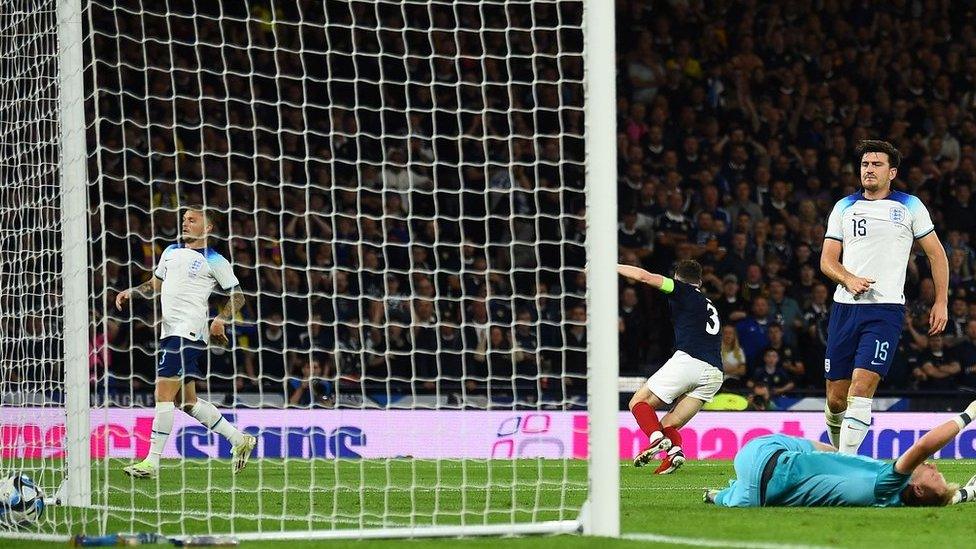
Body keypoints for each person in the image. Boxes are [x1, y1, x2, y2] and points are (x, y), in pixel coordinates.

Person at [820, 140, 949, 454]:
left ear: (892, 172)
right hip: (844, 309)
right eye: (865, 164)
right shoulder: (844, 207)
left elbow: (937, 255)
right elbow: (827, 260)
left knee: (861, 387)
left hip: (885, 310)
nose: (869, 170)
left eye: (876, 165)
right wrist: (848, 279)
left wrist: (941, 301)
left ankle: (845, 466)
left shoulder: (910, 205)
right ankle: (840, 454)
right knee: (836, 398)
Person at [116, 207, 256, 478]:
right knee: (187, 401)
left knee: (163, 395)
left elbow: (237, 297)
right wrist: (131, 291)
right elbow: (153, 285)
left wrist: (220, 319)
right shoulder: (169, 252)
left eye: (193, 220)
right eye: (184, 220)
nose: (186, 223)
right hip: (170, 332)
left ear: (208, 227)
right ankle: (239, 439)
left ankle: (152, 462)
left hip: (188, 333)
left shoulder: (215, 260)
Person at [705, 401, 976, 507]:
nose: (932, 466)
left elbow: (924, 446)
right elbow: (938, 499)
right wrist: (967, 493)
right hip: (762, 482)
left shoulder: (889, 482)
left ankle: (724, 494)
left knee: (827, 453)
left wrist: (969, 415)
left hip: (762, 457)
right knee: (831, 455)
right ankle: (723, 495)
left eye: (934, 473)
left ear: (917, 489)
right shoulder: (893, 502)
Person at [618, 260, 724, 475]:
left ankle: (656, 440)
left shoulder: (681, 290)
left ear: (677, 277)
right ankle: (675, 452)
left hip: (690, 361)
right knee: (669, 424)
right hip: (715, 373)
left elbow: (644, 276)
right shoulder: (708, 302)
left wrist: (611, 266)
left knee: (638, 402)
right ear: (700, 282)